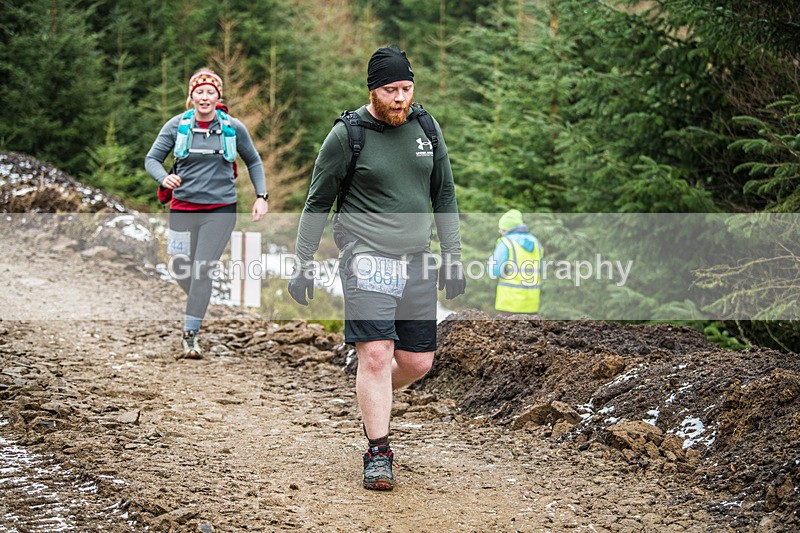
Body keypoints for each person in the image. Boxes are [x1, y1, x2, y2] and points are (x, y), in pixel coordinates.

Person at [287, 46, 465, 490]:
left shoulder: (426, 128)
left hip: (417, 258)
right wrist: (303, 262)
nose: (400, 98)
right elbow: (317, 203)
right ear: (373, 90)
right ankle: (378, 451)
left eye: (406, 88)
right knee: (378, 353)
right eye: (390, 90)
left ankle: (372, 393)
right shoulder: (347, 135)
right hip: (365, 257)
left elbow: (444, 196)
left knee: (417, 362)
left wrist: (453, 256)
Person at [145, 68, 269, 359]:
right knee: (179, 268)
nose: (204, 97)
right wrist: (164, 178)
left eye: (210, 92)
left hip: (220, 210)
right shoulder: (176, 126)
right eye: (199, 92)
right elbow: (152, 159)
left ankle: (190, 336)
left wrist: (261, 196)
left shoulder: (232, 128)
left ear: (217, 96)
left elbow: (253, 161)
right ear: (191, 96)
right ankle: (200, 297)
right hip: (182, 208)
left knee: (201, 270)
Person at [489, 209, 543, 315]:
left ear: (506, 229)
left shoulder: (506, 243)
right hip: (531, 305)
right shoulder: (536, 243)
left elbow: (494, 271)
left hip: (509, 304)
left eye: (501, 230)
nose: (501, 233)